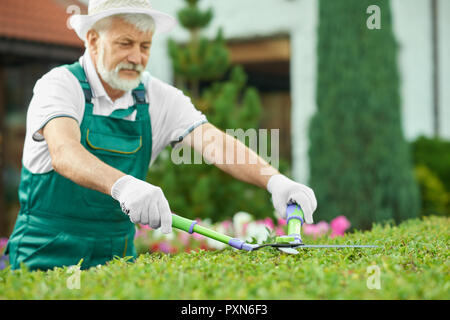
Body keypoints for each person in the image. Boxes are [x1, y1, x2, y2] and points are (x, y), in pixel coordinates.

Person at [6, 0, 317, 271]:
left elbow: (213, 143)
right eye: (125, 43)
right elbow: (64, 152)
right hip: (46, 253)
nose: (137, 58)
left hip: (117, 258)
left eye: (145, 46)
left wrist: (274, 180)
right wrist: (123, 185)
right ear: (93, 40)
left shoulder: (156, 97)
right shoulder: (60, 85)